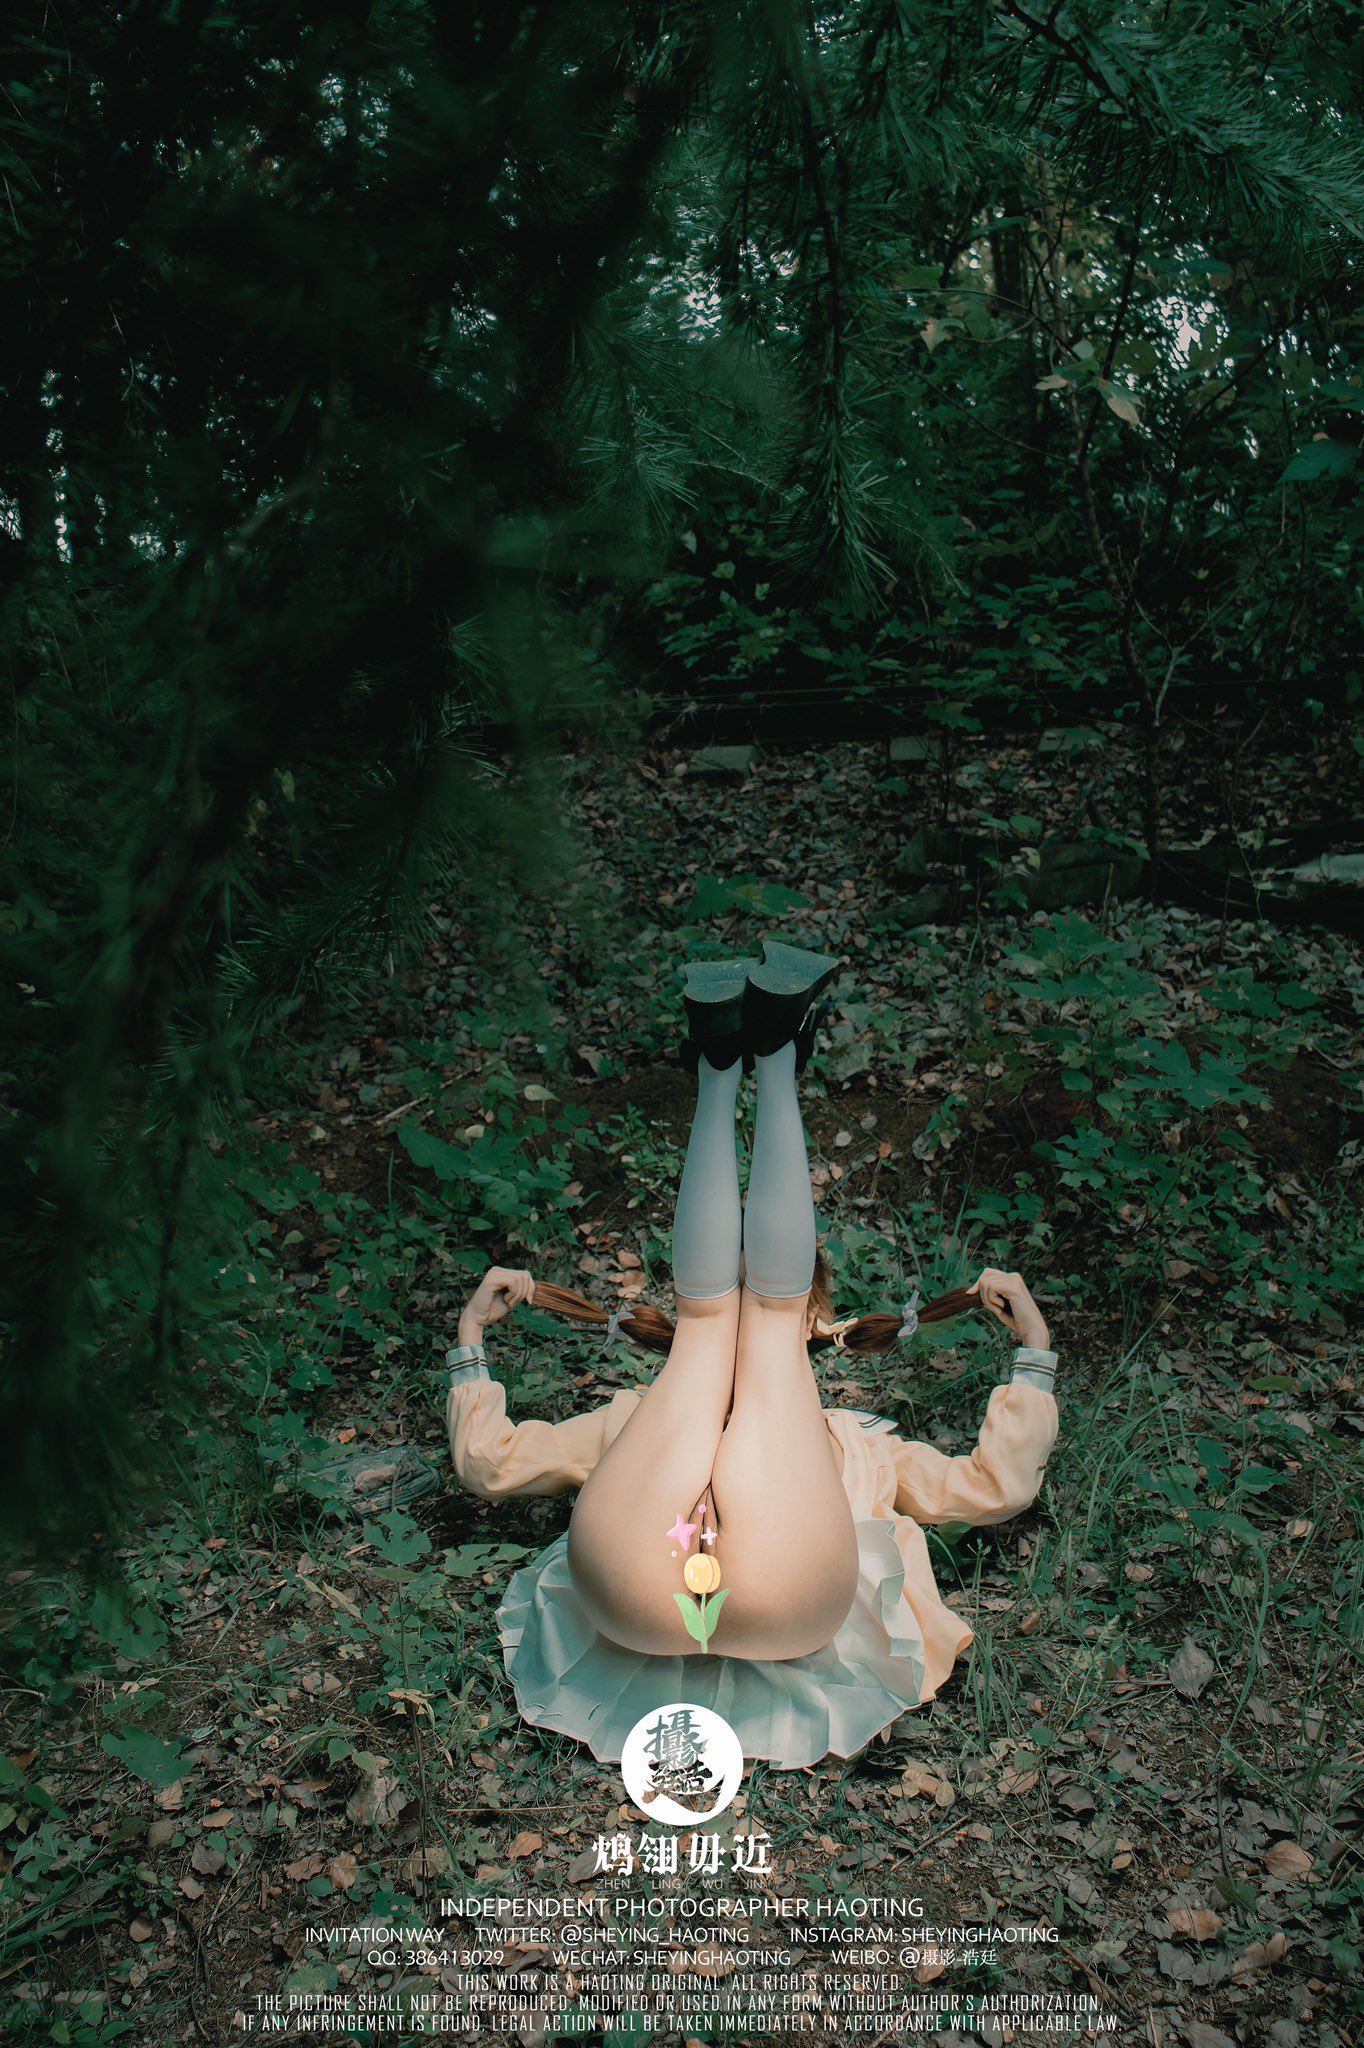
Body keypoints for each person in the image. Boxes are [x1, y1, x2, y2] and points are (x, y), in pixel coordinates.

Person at [443, 940, 1059, 1767]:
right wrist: (472, 1337)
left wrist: (1034, 1354)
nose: (746, 1293)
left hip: (647, 1592)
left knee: (716, 1328)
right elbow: (492, 1466)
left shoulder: (702, 1428)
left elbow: (990, 1487)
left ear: (821, 1321)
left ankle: (720, 1064)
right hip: (758, 1597)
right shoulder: (836, 1444)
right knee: (737, 1328)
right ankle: (772, 1056)